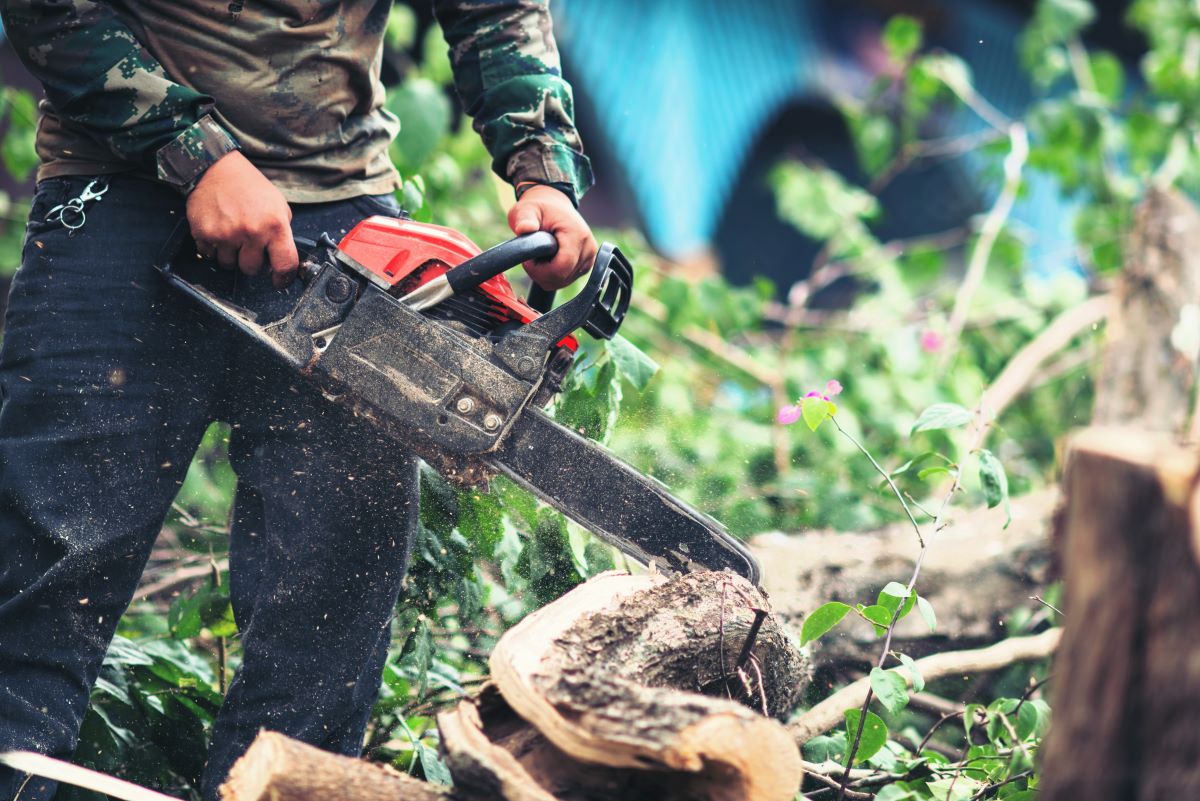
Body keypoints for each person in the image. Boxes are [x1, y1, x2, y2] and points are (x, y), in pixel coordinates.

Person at [0, 1, 596, 798]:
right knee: (41, 592)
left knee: (327, 624)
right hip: (118, 197)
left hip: (346, 219)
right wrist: (196, 154)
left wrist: (542, 166)